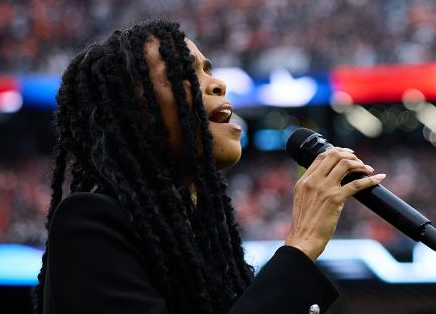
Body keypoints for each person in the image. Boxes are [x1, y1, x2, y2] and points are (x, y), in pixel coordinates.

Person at [31, 18, 384, 314]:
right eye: (183, 71)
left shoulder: (203, 244)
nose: (217, 83)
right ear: (127, 113)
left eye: (207, 69)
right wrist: (301, 244)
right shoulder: (90, 222)